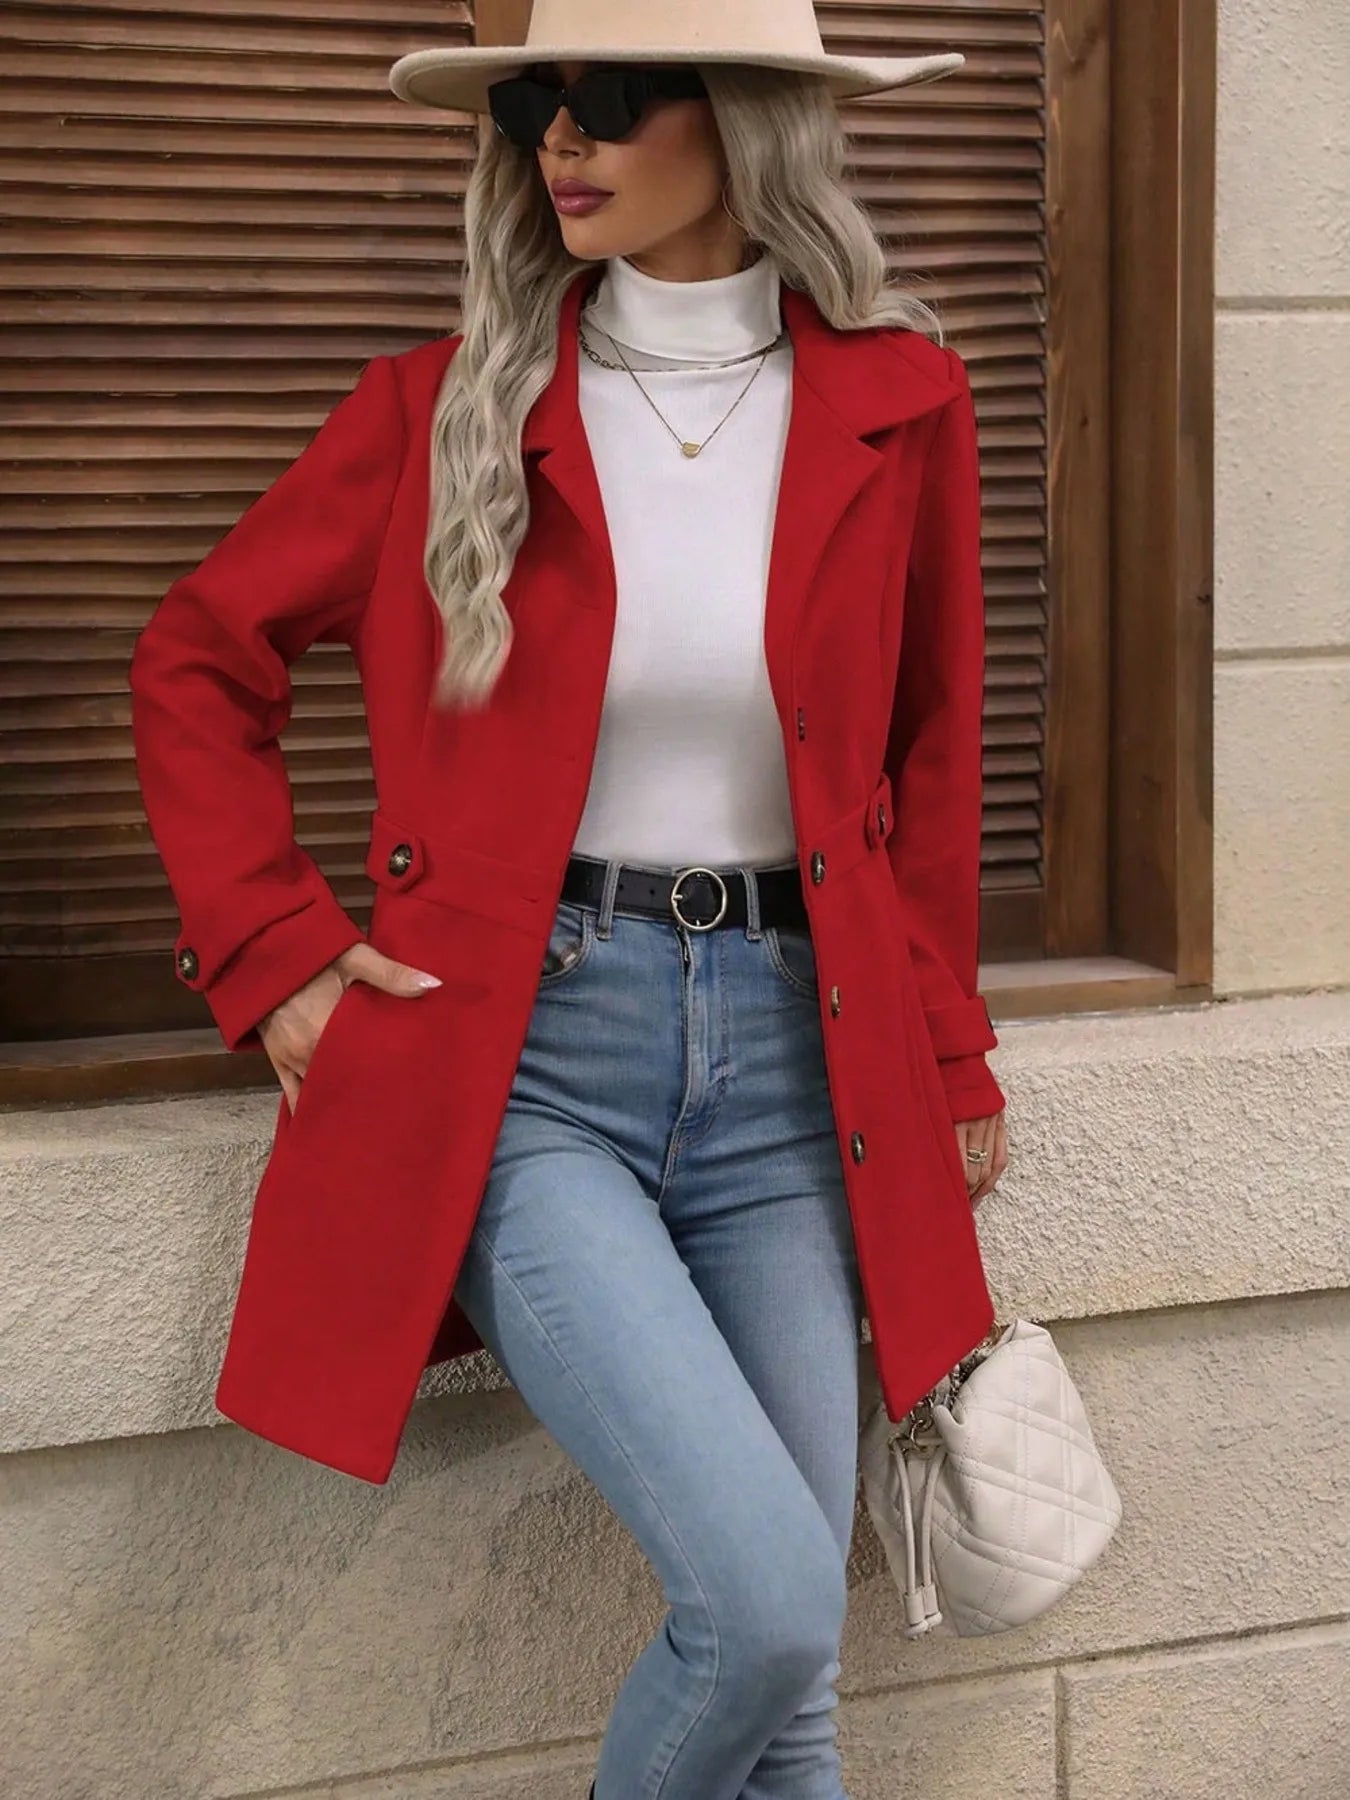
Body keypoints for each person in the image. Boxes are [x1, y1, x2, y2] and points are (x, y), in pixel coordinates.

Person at [130, 5, 1010, 1796]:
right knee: (763, 1604)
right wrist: (280, 954)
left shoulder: (897, 405)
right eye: (537, 101)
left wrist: (951, 1048)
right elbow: (196, 659)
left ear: (747, 118)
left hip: (795, 1068)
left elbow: (924, 763)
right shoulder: (444, 410)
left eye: (608, 97)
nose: (560, 138)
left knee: (798, 1683)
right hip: (526, 1067)